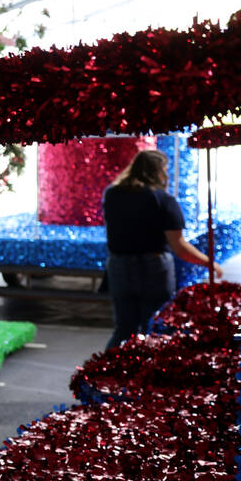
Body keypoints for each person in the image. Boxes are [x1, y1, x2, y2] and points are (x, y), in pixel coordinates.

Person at [101, 148, 222, 349]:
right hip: (153, 268)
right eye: (164, 169)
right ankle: (147, 376)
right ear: (158, 171)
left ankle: (109, 375)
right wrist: (209, 263)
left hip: (119, 266)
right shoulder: (163, 200)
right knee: (154, 328)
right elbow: (179, 246)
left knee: (124, 329)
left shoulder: (112, 195)